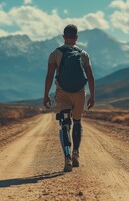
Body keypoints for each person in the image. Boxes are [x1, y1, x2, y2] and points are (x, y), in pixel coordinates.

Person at [43, 24, 95, 172]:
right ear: (76, 37)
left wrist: (46, 95)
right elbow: (90, 76)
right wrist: (92, 96)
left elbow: (49, 76)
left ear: (64, 37)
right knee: (77, 122)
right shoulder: (84, 54)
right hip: (79, 93)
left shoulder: (55, 53)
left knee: (64, 123)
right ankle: (76, 154)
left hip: (62, 92)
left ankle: (67, 157)